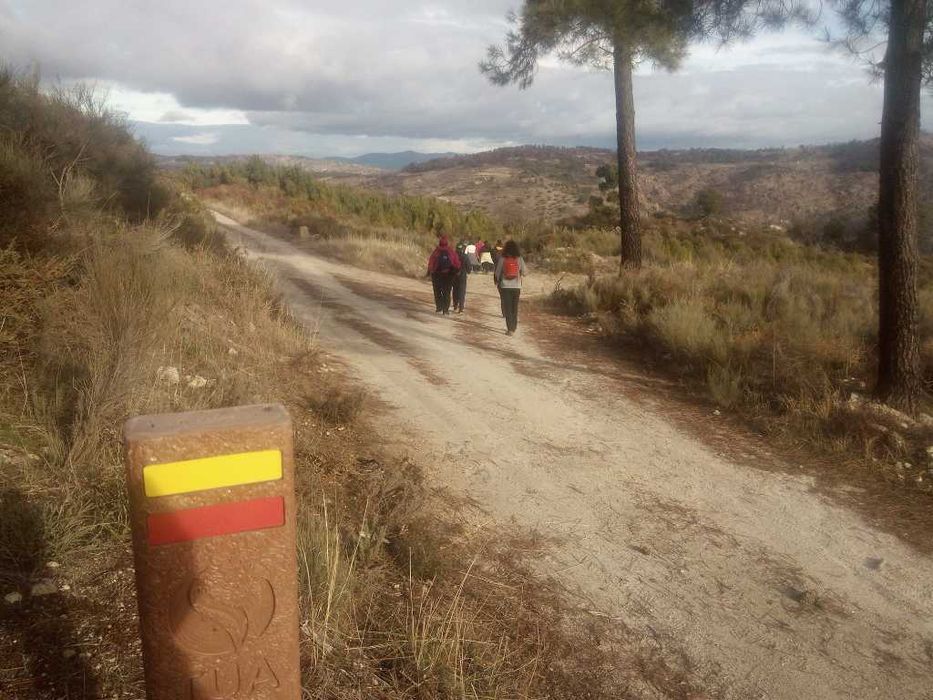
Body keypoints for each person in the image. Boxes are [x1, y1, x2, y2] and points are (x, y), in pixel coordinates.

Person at [494, 240, 526, 336]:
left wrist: (497, 280)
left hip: (505, 286)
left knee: (507, 308)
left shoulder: (503, 258)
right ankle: (514, 326)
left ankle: (510, 329)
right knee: (514, 307)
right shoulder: (519, 258)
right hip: (516, 286)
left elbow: (497, 272)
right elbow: (525, 272)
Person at [427, 236, 461, 314]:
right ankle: (445, 309)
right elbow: (457, 264)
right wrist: (457, 271)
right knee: (447, 292)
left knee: (437, 291)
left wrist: (429, 271)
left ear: (440, 243)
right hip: (449, 275)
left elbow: (431, 262)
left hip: (437, 274)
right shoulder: (451, 251)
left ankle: (439, 307)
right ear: (447, 243)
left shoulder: (436, 251)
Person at [453, 240, 471, 313]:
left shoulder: (453, 256)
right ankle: (461, 307)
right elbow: (469, 268)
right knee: (462, 291)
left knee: (455, 290)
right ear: (462, 249)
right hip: (463, 276)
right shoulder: (465, 256)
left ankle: (455, 305)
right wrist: (468, 271)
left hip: (454, 275)